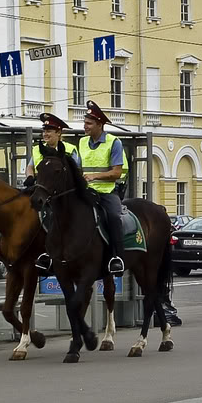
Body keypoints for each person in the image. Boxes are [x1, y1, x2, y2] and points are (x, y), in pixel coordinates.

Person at [26, 113, 80, 271]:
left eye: (50, 130)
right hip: (43, 192)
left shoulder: (70, 149)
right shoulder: (38, 149)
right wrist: (30, 177)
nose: (46, 134)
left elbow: (76, 170)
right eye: (44, 131)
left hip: (64, 195)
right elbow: (30, 166)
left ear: (59, 133)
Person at [80, 100, 125, 275]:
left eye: (89, 123)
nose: (85, 126)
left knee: (114, 216)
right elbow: (78, 167)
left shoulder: (114, 143)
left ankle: (117, 257)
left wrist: (94, 176)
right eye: (85, 122)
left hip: (106, 192)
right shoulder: (82, 142)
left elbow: (116, 173)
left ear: (99, 124)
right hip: (85, 192)